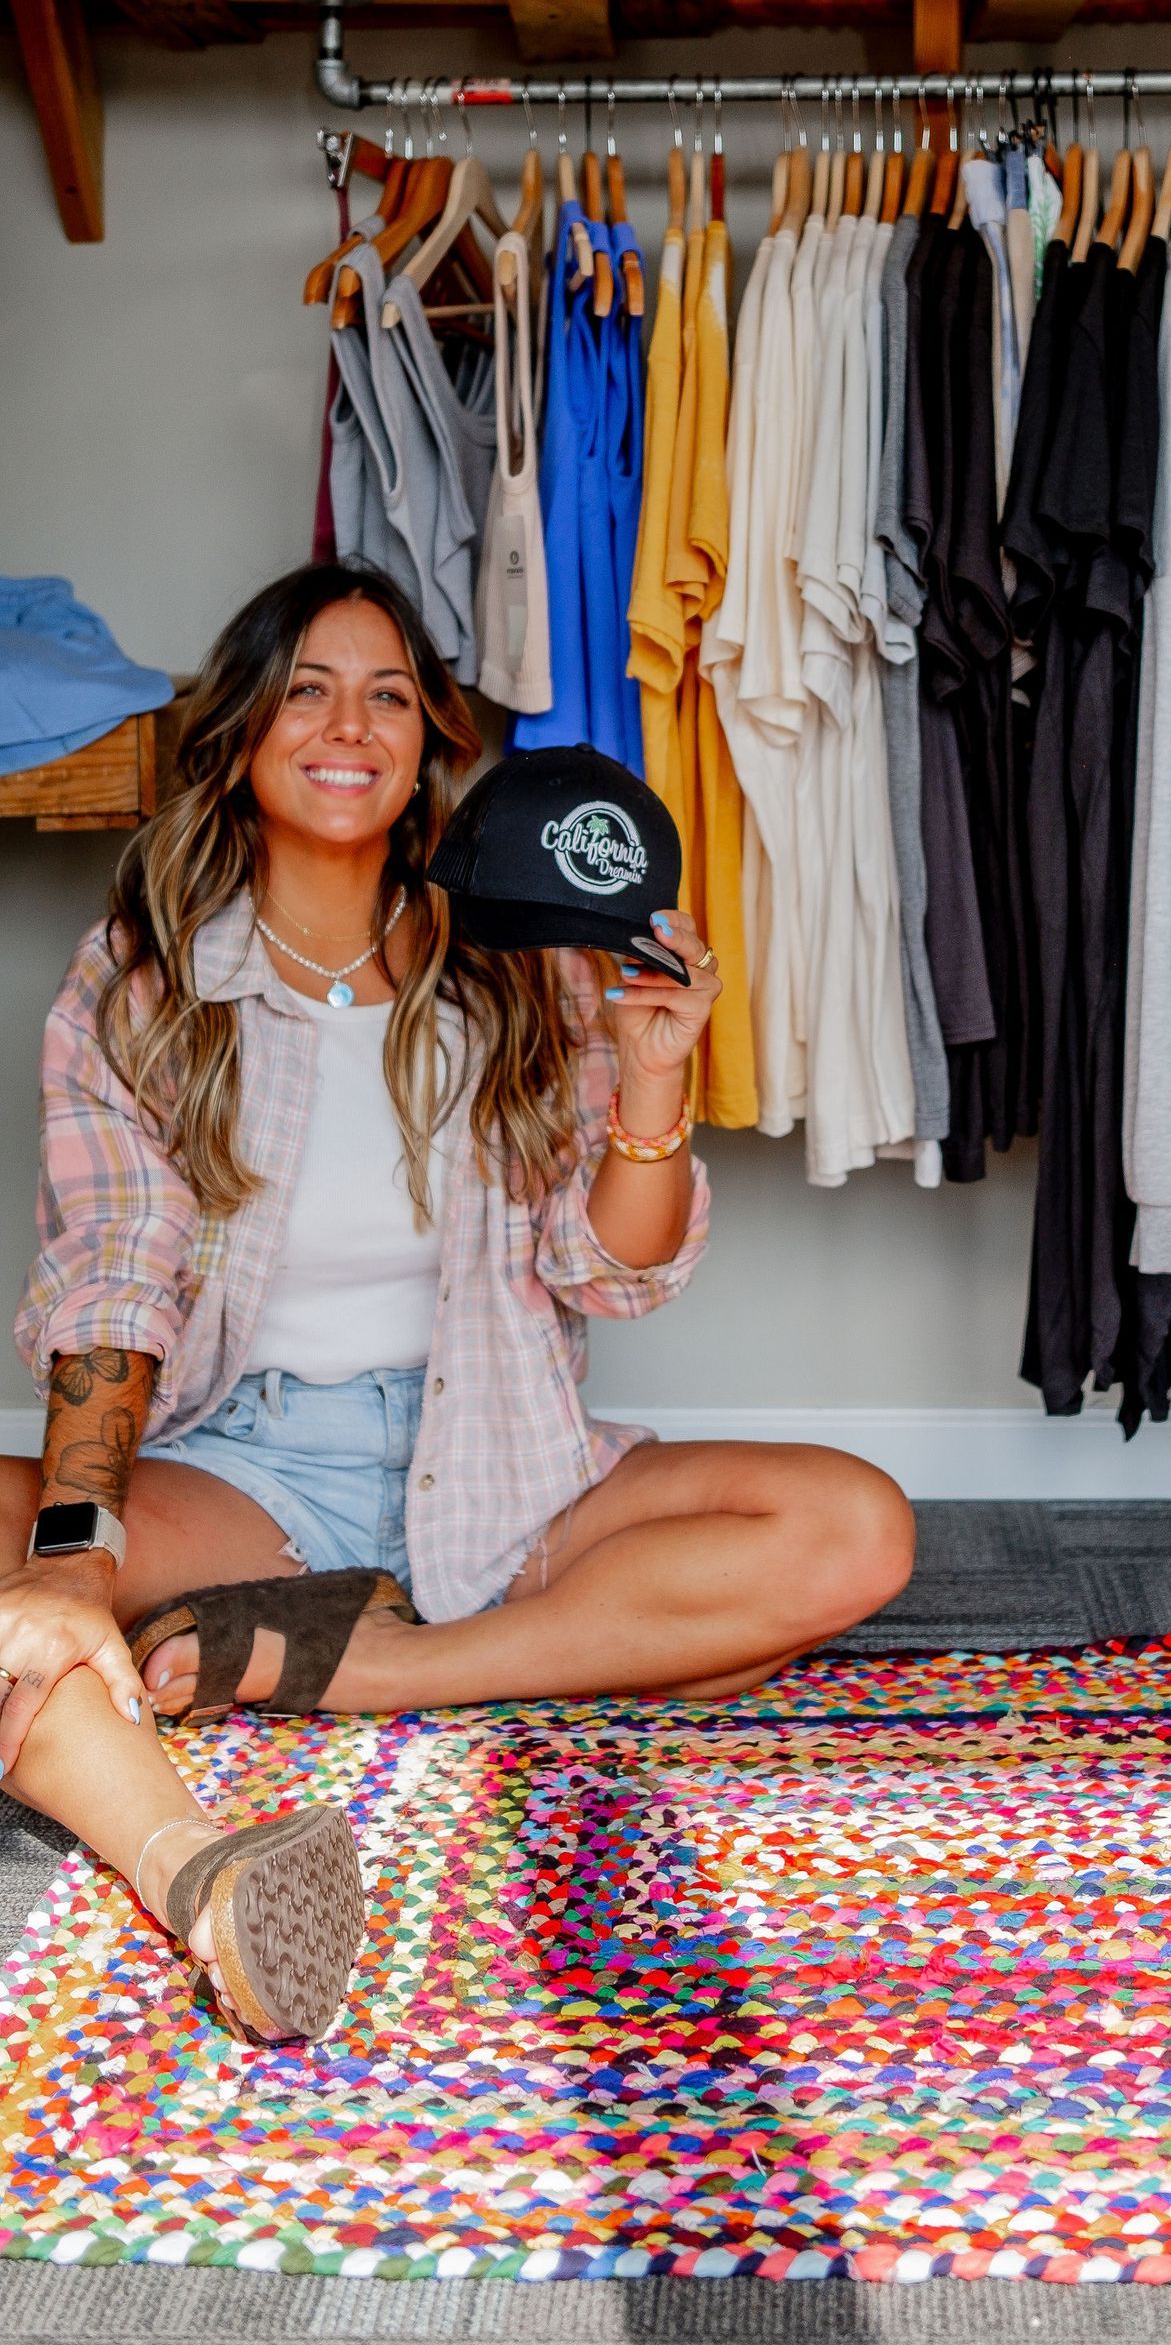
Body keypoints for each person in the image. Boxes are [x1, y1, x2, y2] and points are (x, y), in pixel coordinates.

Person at [5, 561, 914, 2042]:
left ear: (432, 741)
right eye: (306, 690)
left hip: (509, 1458)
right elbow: (113, 1271)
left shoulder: (521, 967)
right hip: (243, 1469)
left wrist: (658, 1076)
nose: (348, 726)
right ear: (241, 734)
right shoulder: (145, 982)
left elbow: (609, 1276)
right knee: (22, 1582)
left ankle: (373, 1662)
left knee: (855, 1527)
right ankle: (202, 1872)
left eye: (388, 695)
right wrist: (67, 1551)